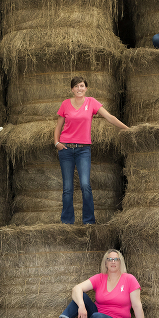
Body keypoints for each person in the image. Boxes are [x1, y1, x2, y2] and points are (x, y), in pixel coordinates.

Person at [54, 76, 129, 224]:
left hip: (83, 150)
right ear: (71, 89)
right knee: (67, 188)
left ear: (86, 88)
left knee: (85, 185)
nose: (79, 89)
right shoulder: (65, 104)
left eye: (81, 86)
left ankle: (89, 221)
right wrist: (56, 143)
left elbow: (109, 117)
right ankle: (67, 222)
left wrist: (128, 129)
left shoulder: (91, 102)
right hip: (66, 149)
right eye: (76, 86)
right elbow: (58, 126)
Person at [44, 249, 147, 318]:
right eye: (109, 259)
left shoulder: (129, 279)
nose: (113, 262)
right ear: (105, 263)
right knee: (81, 296)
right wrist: (81, 306)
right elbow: (76, 288)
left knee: (97, 317)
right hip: (96, 314)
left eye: (116, 259)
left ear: (120, 262)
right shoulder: (100, 277)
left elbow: (136, 305)